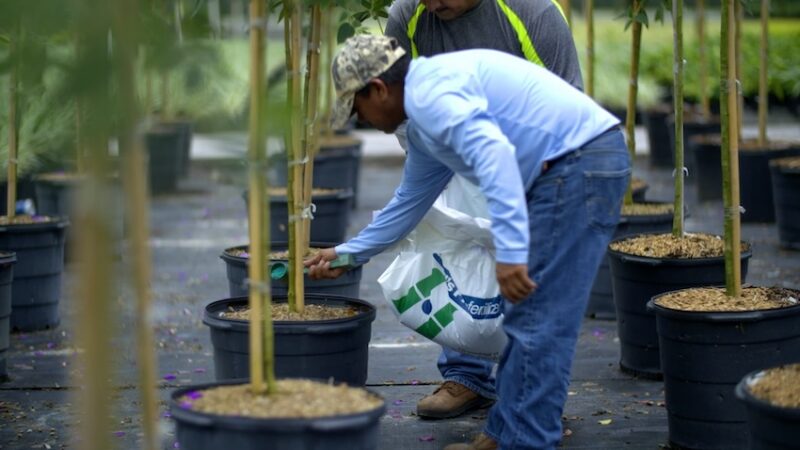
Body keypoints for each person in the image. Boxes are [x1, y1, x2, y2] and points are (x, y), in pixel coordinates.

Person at [305, 35, 629, 450]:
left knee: (539, 318)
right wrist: (348, 254)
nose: (361, 119)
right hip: (570, 167)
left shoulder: (432, 96)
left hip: (579, 165)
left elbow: (495, 157)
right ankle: (505, 434)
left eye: (357, 107)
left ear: (379, 89)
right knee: (527, 316)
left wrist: (510, 254)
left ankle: (524, 441)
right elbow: (410, 201)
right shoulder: (423, 118)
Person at [383, 0, 584, 420]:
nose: (432, 4)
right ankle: (466, 374)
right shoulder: (409, 15)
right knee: (456, 256)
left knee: (530, 279)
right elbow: (400, 102)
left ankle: (534, 402)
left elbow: (568, 106)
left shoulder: (534, 14)